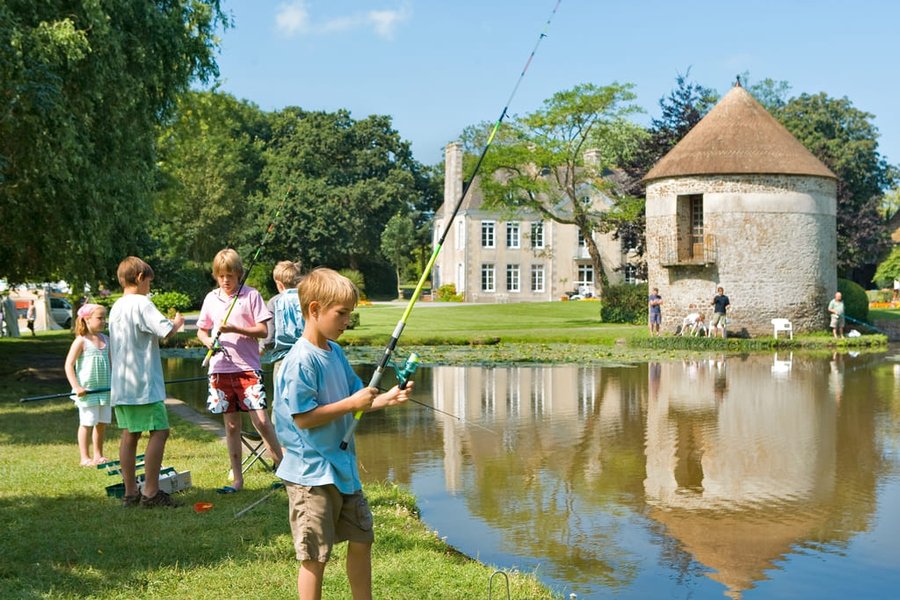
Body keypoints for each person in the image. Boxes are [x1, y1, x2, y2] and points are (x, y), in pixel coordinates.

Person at [274, 268, 411, 600]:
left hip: (342, 469)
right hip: (311, 474)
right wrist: (352, 401)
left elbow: (357, 398)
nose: (347, 320)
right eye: (342, 313)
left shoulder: (334, 352)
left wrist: (387, 398)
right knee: (314, 556)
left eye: (350, 313)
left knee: (362, 538)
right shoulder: (300, 362)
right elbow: (304, 418)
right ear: (315, 309)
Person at [197, 248, 283, 493]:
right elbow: (202, 330)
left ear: (239, 274)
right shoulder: (211, 298)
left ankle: (286, 473)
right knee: (232, 426)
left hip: (248, 368)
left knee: (262, 421)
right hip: (220, 369)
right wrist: (207, 342)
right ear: (216, 275)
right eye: (221, 275)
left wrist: (235, 328)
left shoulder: (251, 296)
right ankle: (237, 479)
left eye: (231, 275)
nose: (226, 280)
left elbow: (263, 331)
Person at [109, 257, 185, 508]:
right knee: (160, 431)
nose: (150, 287)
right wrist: (177, 323)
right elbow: (165, 331)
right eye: (149, 282)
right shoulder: (142, 303)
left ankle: (130, 492)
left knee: (129, 434)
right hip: (143, 386)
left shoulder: (116, 307)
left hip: (121, 385)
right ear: (140, 277)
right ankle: (151, 493)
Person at [64, 303, 112, 466]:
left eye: (104, 318)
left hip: (105, 391)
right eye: (100, 318)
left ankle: (98, 455)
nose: (103, 321)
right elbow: (69, 365)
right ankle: (84, 457)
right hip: (87, 391)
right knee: (87, 423)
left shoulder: (106, 340)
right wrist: (77, 387)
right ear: (86, 319)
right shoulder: (81, 341)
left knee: (101, 423)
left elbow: (113, 363)